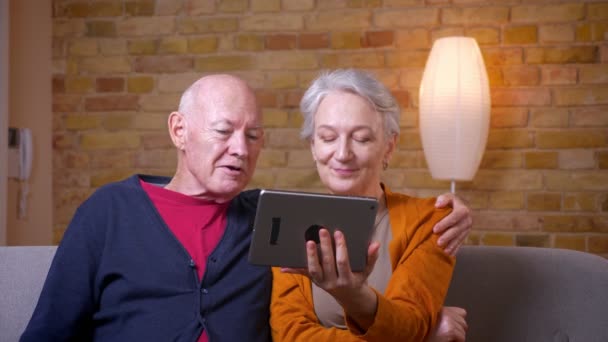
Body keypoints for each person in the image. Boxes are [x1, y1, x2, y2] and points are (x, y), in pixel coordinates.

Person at [21, 73, 470, 341]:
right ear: (179, 130)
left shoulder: (273, 217)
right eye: (223, 131)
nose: (240, 149)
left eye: (253, 136)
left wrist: (457, 213)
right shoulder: (110, 212)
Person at [270, 69, 468, 341]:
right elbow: (291, 336)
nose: (342, 154)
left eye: (361, 138)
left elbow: (410, 324)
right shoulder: (288, 222)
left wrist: (354, 296)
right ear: (313, 146)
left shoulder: (431, 222)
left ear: (389, 146)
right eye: (328, 137)